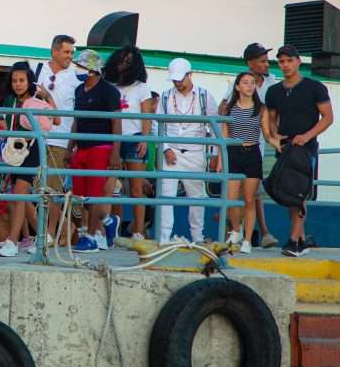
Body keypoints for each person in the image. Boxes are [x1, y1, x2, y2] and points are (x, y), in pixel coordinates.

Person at [265, 45, 334, 257]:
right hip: (285, 148)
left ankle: (294, 240)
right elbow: (271, 119)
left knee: (299, 193)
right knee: (288, 192)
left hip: (306, 149)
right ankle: (301, 240)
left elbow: (328, 118)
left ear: (298, 62)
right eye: (281, 61)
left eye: (289, 61)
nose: (285, 65)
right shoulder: (274, 91)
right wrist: (275, 137)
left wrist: (307, 136)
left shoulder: (315, 87)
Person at [220, 43, 281, 249]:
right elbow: (224, 112)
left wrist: (277, 139)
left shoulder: (272, 82)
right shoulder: (236, 88)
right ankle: (237, 232)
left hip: (258, 147)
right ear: (250, 63)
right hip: (236, 149)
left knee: (252, 195)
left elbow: (272, 119)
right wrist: (219, 154)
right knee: (234, 197)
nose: (266, 64)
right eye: (262, 61)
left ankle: (252, 236)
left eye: (266, 60)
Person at [0, 62, 56, 258]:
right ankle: (44, 236)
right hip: (13, 151)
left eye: (21, 80)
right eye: (14, 80)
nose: (18, 84)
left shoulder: (37, 99)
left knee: (20, 195)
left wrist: (48, 96)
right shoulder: (9, 101)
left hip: (31, 150)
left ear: (29, 81)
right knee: (20, 197)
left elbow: (56, 120)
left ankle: (12, 241)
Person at [157, 58, 219, 243]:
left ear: (189, 75)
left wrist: (214, 155)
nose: (177, 83)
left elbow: (215, 127)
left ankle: (197, 238)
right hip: (171, 153)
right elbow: (157, 125)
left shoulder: (204, 96)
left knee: (197, 199)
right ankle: (163, 239)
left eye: (180, 79)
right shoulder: (166, 96)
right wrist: (166, 148)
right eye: (174, 79)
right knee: (165, 198)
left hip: (195, 153)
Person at [68, 50, 121, 253]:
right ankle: (106, 222)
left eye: (81, 66)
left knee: (94, 194)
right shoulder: (79, 90)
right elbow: (76, 121)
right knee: (80, 197)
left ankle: (90, 236)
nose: (78, 70)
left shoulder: (109, 91)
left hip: (101, 146)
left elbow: (117, 123)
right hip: (81, 146)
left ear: (93, 69)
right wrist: (69, 148)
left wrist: (115, 152)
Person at [34, 35, 83, 245]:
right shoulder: (37, 70)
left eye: (72, 52)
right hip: (37, 137)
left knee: (52, 191)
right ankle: (45, 233)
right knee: (35, 188)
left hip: (61, 139)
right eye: (67, 52)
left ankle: (50, 234)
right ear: (55, 51)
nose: (70, 56)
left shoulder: (75, 78)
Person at [103, 44, 155, 241]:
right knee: (108, 185)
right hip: (112, 138)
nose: (123, 65)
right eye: (121, 60)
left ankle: (138, 231)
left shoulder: (142, 88)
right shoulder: (110, 85)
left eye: (128, 62)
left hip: (134, 138)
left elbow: (146, 116)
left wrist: (144, 138)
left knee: (136, 188)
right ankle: (105, 226)